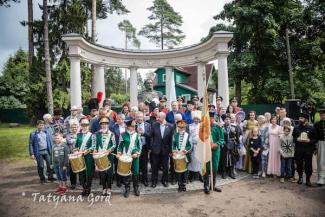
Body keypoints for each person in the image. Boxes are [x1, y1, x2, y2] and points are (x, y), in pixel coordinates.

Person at [116, 119, 141, 197]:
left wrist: (137, 153)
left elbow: (139, 146)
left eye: (134, 126)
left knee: (135, 172)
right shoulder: (123, 134)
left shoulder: (137, 135)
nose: (133, 128)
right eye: (131, 126)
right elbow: (120, 146)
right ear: (128, 127)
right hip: (125, 156)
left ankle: (136, 188)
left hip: (135, 157)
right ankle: (127, 189)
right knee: (126, 173)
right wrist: (119, 153)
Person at [150, 112, 174, 188]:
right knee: (154, 167)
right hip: (155, 150)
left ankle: (165, 180)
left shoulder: (170, 126)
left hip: (165, 151)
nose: (157, 118)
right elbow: (151, 136)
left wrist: (170, 150)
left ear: (163, 118)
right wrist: (152, 147)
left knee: (165, 167)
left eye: (159, 117)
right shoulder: (154, 125)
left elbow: (171, 140)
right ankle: (154, 181)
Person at [93, 117, 116, 196]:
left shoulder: (112, 134)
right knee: (102, 172)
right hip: (100, 155)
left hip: (109, 156)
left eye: (105, 124)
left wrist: (109, 150)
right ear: (100, 125)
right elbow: (94, 145)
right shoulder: (96, 134)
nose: (104, 125)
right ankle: (103, 188)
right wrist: (95, 150)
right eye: (102, 124)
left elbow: (114, 145)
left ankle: (109, 188)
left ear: (108, 125)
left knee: (109, 173)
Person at [292, 112, 316, 186]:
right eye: (299, 118)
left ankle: (308, 180)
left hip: (308, 150)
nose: (300, 119)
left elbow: (315, 139)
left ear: (306, 119)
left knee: (308, 165)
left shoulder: (312, 128)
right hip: (299, 149)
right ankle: (300, 177)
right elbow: (293, 138)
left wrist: (310, 141)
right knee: (299, 164)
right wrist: (297, 139)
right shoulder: (296, 127)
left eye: (301, 118)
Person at [204, 111, 224, 194]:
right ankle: (206, 186)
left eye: (212, 118)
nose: (211, 120)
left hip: (215, 151)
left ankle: (213, 185)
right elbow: (201, 139)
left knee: (214, 168)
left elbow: (222, 139)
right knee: (206, 168)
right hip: (206, 151)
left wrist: (216, 144)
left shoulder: (218, 127)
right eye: (209, 118)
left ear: (214, 119)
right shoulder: (203, 128)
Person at [74, 117, 94, 196]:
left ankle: (88, 188)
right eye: (83, 124)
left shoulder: (92, 135)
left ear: (89, 125)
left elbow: (93, 146)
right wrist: (75, 150)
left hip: (88, 156)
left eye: (86, 124)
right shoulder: (78, 135)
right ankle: (84, 187)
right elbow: (76, 146)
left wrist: (87, 150)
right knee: (81, 172)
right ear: (80, 125)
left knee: (89, 172)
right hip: (79, 156)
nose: (84, 126)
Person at [172, 120, 192, 192]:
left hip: (185, 155)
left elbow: (190, 145)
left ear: (185, 127)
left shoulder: (188, 135)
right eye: (180, 127)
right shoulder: (175, 135)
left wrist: (186, 150)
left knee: (185, 171)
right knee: (178, 171)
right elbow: (173, 144)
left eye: (182, 127)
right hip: (177, 155)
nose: (181, 129)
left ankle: (184, 184)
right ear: (177, 127)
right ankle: (179, 185)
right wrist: (174, 151)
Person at [135, 111, 152, 187]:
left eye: (141, 117)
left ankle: (145, 179)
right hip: (135, 148)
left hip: (144, 147)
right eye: (138, 117)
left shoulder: (148, 125)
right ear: (136, 117)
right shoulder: (133, 125)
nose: (139, 118)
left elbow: (150, 135)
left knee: (144, 164)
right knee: (136, 164)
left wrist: (143, 133)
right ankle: (137, 180)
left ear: (143, 117)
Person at [221, 115, 240, 179]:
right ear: (224, 120)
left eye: (229, 119)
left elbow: (237, 137)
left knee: (232, 158)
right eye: (226, 119)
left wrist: (237, 144)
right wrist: (223, 143)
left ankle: (231, 172)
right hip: (224, 145)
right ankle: (224, 172)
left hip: (232, 146)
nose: (228, 120)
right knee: (224, 159)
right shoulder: (221, 127)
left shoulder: (234, 127)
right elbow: (220, 136)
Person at [110, 114, 126, 187]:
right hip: (116, 148)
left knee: (124, 163)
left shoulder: (127, 127)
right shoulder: (113, 127)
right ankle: (118, 180)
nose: (120, 120)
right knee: (117, 164)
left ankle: (124, 179)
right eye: (118, 119)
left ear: (124, 119)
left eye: (121, 119)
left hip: (126, 148)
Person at [188, 111, 202, 182]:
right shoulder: (190, 126)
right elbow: (189, 136)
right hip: (192, 145)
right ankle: (192, 175)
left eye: (197, 119)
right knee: (192, 161)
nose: (196, 120)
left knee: (200, 161)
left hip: (200, 146)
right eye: (195, 119)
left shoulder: (202, 125)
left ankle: (200, 175)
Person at [65, 120, 79, 189]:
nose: (74, 129)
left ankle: (81, 182)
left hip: (79, 154)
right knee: (72, 169)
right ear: (70, 129)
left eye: (75, 128)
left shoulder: (80, 134)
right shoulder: (68, 135)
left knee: (80, 168)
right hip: (71, 155)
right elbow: (69, 142)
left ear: (77, 128)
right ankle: (73, 183)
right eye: (72, 128)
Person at [314, 108, 325, 186]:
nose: (323, 116)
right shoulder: (316, 124)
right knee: (321, 161)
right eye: (321, 115)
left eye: (324, 115)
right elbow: (315, 136)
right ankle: (321, 178)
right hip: (321, 143)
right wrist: (315, 146)